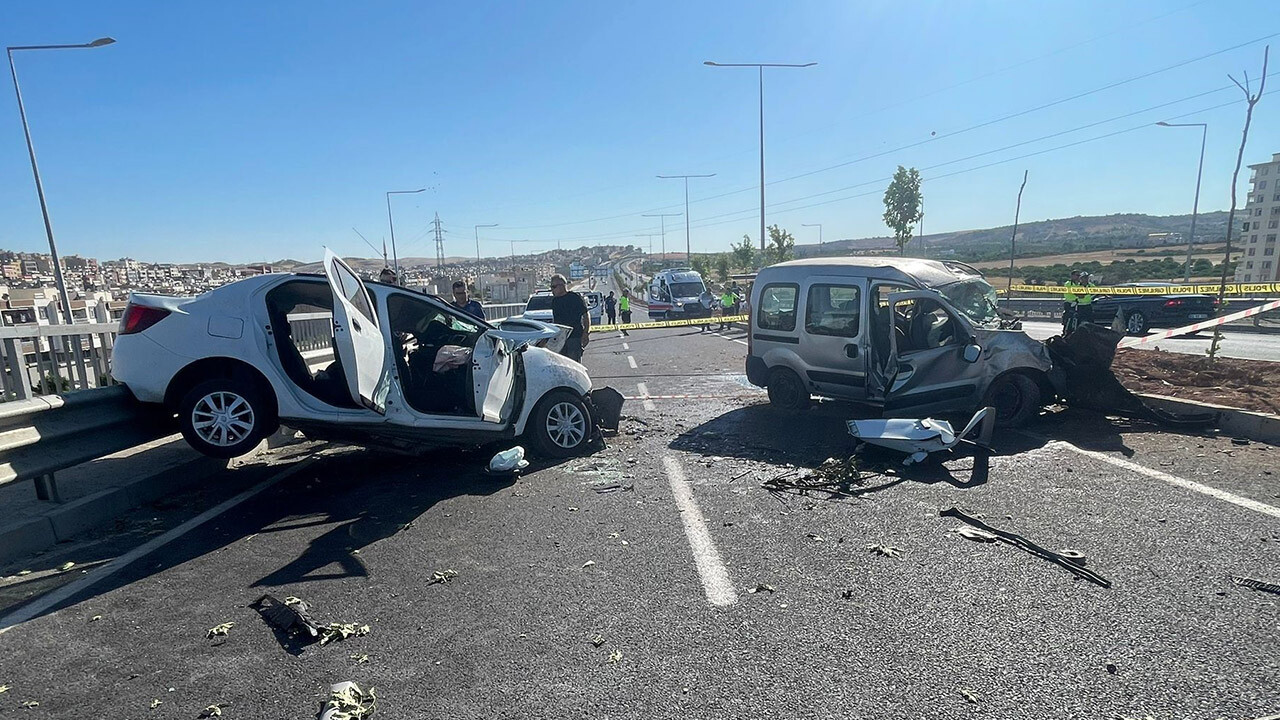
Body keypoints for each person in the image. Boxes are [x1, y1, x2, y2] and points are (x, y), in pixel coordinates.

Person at [550, 274, 590, 362]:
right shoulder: (555, 301)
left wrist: (586, 332)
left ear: (562, 285)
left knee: (574, 363)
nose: (552, 290)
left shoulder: (574, 298)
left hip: (574, 337)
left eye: (554, 287)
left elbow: (585, 315)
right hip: (560, 339)